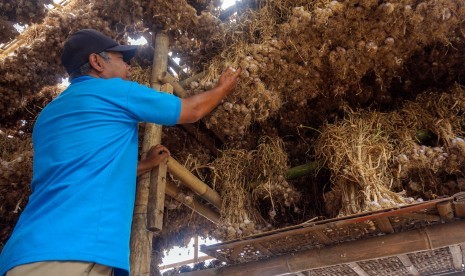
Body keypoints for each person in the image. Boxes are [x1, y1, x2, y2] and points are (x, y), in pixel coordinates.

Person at [0, 29, 241, 276]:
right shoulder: (115, 91)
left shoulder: (48, 115)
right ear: (96, 62)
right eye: (122, 60)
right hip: (73, 251)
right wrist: (222, 88)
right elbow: (191, 111)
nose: (129, 68)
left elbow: (81, 170)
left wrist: (144, 165)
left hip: (23, 253)